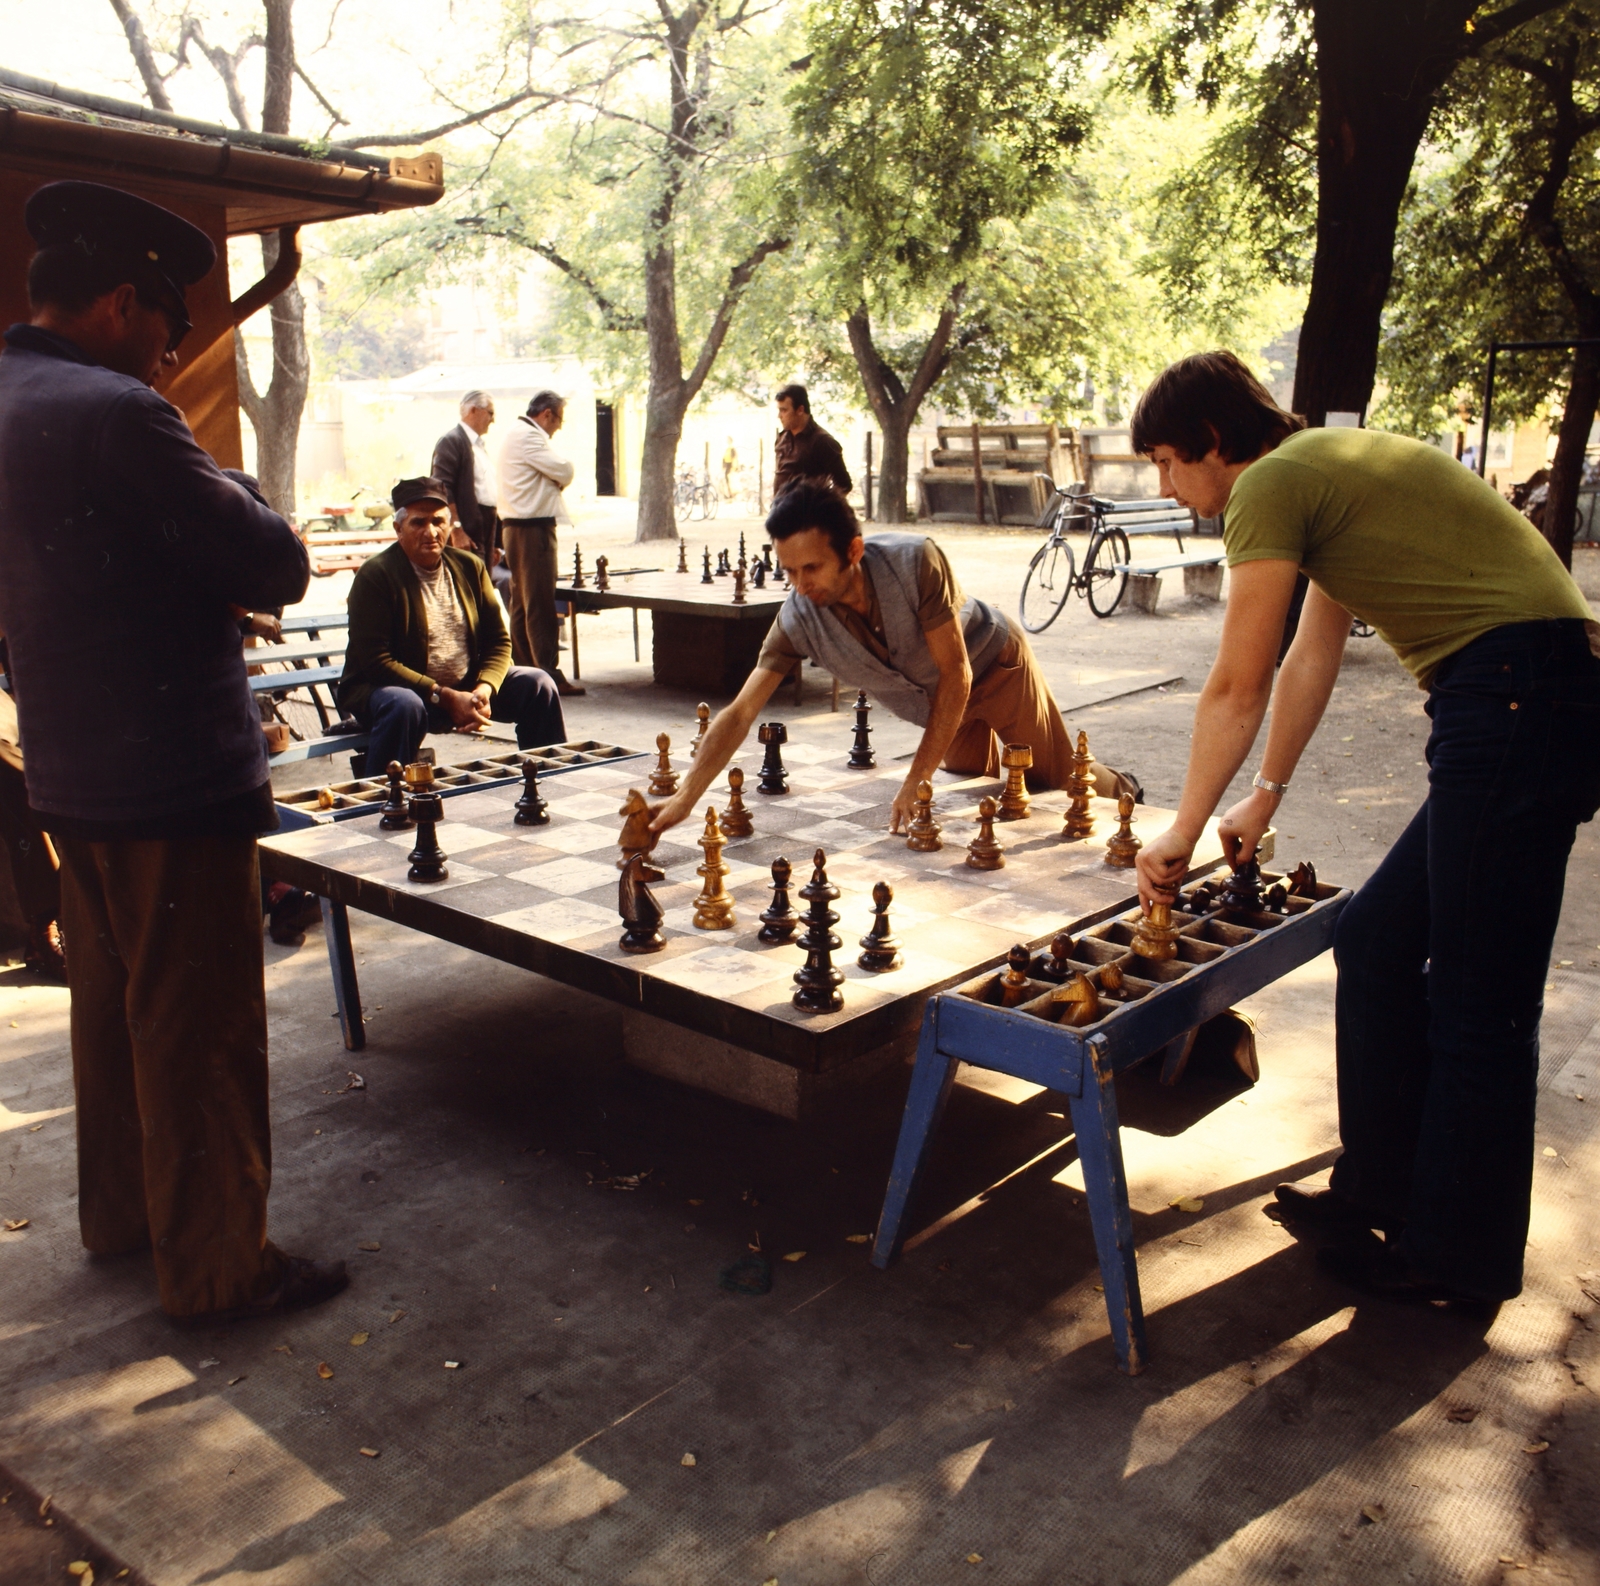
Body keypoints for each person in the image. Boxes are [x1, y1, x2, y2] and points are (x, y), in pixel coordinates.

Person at [1128, 349, 1600, 1309]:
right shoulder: (1330, 472)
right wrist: (1262, 794)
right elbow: (1311, 655)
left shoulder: (1270, 484)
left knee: (1480, 1005)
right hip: (1523, 701)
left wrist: (1178, 826)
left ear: (1218, 444)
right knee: (1378, 943)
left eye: (1170, 463)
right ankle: (1379, 1192)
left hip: (1516, 702)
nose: (1167, 488)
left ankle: (1454, 1263)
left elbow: (1238, 677)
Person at [0, 179, 347, 1322]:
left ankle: (125, 1218)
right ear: (114, 301)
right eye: (164, 323)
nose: (169, 349)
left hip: (71, 776)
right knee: (196, 1027)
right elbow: (273, 566)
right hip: (172, 779)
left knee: (110, 1012)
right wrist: (249, 505)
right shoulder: (119, 412)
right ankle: (217, 1268)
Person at [648, 480, 1131, 839]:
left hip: (994, 669)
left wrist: (914, 777)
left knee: (1062, 782)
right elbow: (739, 714)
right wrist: (687, 795)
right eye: (790, 570)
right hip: (940, 704)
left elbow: (957, 674)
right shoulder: (798, 619)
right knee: (970, 785)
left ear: (853, 550)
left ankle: (1125, 787)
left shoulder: (916, 562)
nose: (800, 584)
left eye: (812, 567)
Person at [336, 477, 567, 770]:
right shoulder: (375, 576)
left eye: (438, 521)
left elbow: (498, 641)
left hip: (464, 689)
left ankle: (548, 778)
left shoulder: (469, 567)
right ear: (398, 529)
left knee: (539, 685)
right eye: (418, 523)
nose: (431, 532)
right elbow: (377, 662)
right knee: (404, 705)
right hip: (392, 693)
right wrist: (443, 696)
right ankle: (383, 802)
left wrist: (484, 689)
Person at [498, 390, 583, 695]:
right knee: (540, 604)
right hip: (532, 531)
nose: (558, 427)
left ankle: (527, 671)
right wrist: (557, 477)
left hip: (518, 528)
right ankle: (548, 673)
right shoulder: (530, 437)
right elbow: (564, 470)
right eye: (559, 419)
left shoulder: (517, 433)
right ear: (547, 414)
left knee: (522, 603)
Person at [431, 389, 511, 602]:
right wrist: (456, 529)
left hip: (482, 530)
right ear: (473, 410)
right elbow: (442, 488)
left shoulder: (477, 446)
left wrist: (494, 542)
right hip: (466, 532)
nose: (492, 421)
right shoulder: (452, 441)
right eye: (490, 413)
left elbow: (487, 496)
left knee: (480, 593)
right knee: (465, 594)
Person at [773, 384, 852, 499]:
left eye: (784, 410)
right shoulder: (782, 439)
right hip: (780, 512)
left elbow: (844, 485)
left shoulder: (823, 441)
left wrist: (819, 508)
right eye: (779, 410)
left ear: (800, 410)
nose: (779, 416)